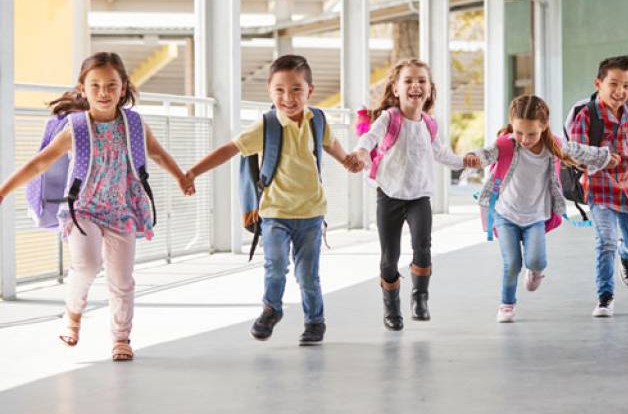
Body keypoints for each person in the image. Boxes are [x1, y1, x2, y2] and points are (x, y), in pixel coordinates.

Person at [0, 52, 194, 360]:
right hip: (82, 210)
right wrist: (3, 191)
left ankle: (121, 338)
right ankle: (73, 315)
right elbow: (38, 163)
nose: (103, 92)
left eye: (111, 85)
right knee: (88, 265)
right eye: (95, 86)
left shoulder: (133, 124)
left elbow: (156, 153)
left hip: (121, 211)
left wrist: (181, 177)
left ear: (123, 87)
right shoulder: (76, 128)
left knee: (122, 279)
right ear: (82, 89)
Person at [186, 55, 360, 345]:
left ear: (309, 91)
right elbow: (229, 150)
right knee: (275, 264)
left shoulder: (317, 119)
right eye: (279, 90)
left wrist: (347, 161)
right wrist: (192, 172)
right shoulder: (265, 126)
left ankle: (315, 321)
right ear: (269, 90)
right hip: (275, 213)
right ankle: (271, 308)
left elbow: (330, 143)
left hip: (311, 213)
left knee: (308, 275)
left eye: (296, 90)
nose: (288, 97)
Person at [471, 95, 618, 323]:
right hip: (505, 214)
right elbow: (486, 153)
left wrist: (605, 157)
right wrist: (473, 158)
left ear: (544, 127)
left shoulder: (552, 146)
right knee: (512, 264)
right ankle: (507, 304)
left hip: (535, 217)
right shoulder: (506, 144)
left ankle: (535, 270)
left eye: (532, 133)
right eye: (519, 132)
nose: (525, 139)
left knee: (537, 261)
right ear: (512, 124)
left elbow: (579, 151)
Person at [353, 59, 476, 331]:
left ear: (430, 89)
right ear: (395, 89)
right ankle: (392, 307)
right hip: (390, 195)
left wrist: (464, 161)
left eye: (421, 80)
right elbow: (369, 139)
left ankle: (420, 297)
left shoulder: (430, 124)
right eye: (408, 81)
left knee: (423, 248)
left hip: (419, 196)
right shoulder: (389, 118)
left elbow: (441, 154)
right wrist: (361, 152)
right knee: (389, 258)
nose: (415, 86)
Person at [568, 56, 628, 318]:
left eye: (626, 85)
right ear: (598, 83)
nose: (620, 91)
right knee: (606, 242)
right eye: (613, 84)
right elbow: (575, 154)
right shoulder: (586, 116)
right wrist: (601, 157)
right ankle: (605, 297)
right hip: (600, 188)